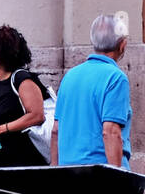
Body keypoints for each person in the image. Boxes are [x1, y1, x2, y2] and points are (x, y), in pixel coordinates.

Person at [52, 13, 132, 169]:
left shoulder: (70, 76)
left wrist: (55, 171)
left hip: (68, 172)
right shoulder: (116, 78)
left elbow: (56, 130)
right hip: (100, 173)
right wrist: (117, 176)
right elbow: (110, 131)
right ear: (122, 44)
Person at [0, 24, 50, 166]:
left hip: (28, 163)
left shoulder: (22, 79)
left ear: (0, 53)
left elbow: (36, 115)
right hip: (1, 164)